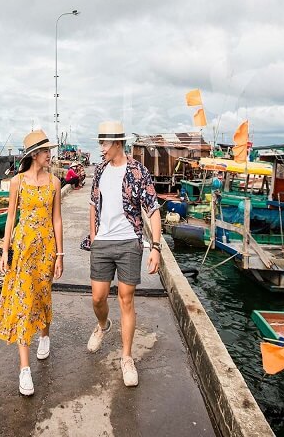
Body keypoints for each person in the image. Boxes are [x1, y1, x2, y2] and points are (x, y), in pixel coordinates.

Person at [87, 120, 162, 387]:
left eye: (104, 144)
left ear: (118, 143)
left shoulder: (138, 171)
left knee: (126, 299)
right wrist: (94, 237)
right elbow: (93, 204)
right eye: (100, 143)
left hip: (130, 241)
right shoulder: (99, 171)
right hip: (103, 242)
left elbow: (153, 209)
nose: (101, 149)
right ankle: (103, 325)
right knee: (98, 297)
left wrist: (155, 248)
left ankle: (127, 358)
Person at [0, 129, 64, 396]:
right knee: (23, 301)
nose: (50, 155)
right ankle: (24, 369)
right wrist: (4, 250)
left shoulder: (55, 183)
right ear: (35, 155)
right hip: (23, 249)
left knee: (42, 295)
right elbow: (11, 218)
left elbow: (57, 219)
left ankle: (44, 335)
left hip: (46, 248)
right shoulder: (18, 182)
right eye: (47, 151)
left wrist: (60, 254)